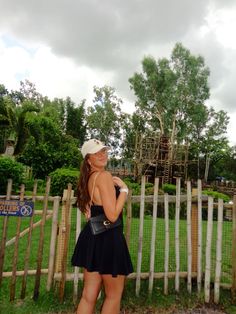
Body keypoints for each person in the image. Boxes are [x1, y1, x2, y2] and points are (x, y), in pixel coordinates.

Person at [71, 138, 133, 314]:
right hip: (108, 240)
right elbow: (112, 216)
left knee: (88, 296)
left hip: (92, 237)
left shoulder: (88, 178)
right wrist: (124, 191)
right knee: (113, 296)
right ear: (88, 159)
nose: (102, 154)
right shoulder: (104, 176)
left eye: (104, 151)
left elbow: (87, 209)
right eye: (97, 152)